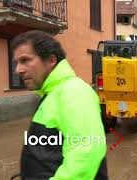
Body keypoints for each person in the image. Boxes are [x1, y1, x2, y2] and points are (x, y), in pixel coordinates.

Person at [12, 30, 108, 179]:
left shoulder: (73, 92)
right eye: (16, 63)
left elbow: (85, 156)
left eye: (25, 60)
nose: (18, 70)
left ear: (51, 61)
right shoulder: (51, 94)